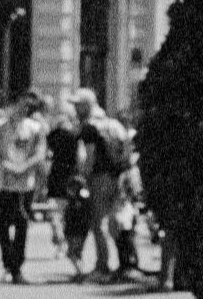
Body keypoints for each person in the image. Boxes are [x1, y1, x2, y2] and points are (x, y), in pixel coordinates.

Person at [72, 90, 139, 281]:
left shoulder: (90, 127)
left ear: (87, 105)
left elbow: (90, 157)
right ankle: (126, 262)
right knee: (118, 219)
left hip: (100, 178)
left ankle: (102, 265)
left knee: (98, 222)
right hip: (118, 177)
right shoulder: (113, 123)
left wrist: (82, 176)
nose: (75, 109)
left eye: (78, 105)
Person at [44, 95, 91, 276]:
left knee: (55, 211)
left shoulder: (53, 135)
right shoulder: (75, 135)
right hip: (71, 179)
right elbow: (81, 157)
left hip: (56, 175)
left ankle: (60, 240)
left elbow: (47, 155)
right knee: (68, 214)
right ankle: (66, 243)